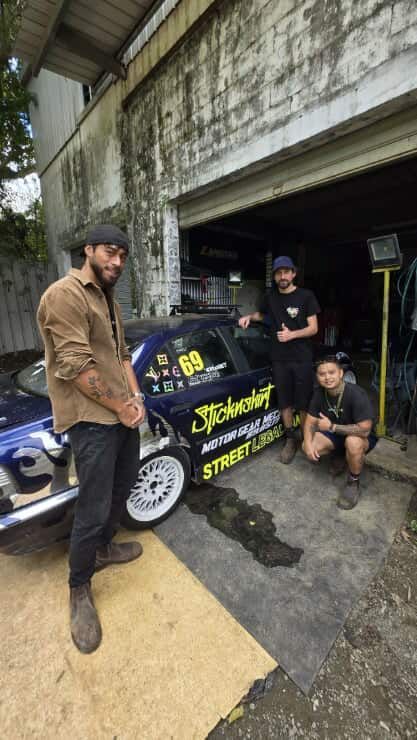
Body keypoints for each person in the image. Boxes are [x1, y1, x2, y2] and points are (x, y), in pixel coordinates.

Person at [37, 224, 146, 654]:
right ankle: (79, 587)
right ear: (89, 250)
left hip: (122, 415)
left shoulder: (108, 299)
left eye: (122, 255)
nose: (116, 262)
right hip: (92, 421)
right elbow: (77, 365)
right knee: (94, 504)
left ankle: (103, 548)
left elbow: (121, 356)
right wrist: (120, 406)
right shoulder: (65, 295)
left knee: (122, 488)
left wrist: (135, 398)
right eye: (109, 253)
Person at [239, 255, 320, 463]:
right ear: (275, 277)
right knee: (284, 401)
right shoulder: (271, 297)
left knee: (302, 402)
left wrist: (292, 334)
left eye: (286, 272)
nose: (282, 276)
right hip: (279, 358)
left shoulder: (306, 296)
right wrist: (249, 316)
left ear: (293, 274)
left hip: (301, 358)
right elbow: (263, 315)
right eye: (278, 273)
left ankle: (305, 437)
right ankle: (290, 439)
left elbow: (314, 328)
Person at [302, 356, 378, 509]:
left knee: (353, 442)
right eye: (322, 374)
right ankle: (341, 456)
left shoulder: (356, 394)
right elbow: (310, 422)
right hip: (335, 434)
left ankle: (353, 481)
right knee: (306, 445)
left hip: (360, 436)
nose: (327, 377)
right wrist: (309, 445)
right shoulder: (319, 393)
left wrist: (332, 427)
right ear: (317, 377)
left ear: (341, 373)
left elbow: (365, 429)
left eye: (331, 372)